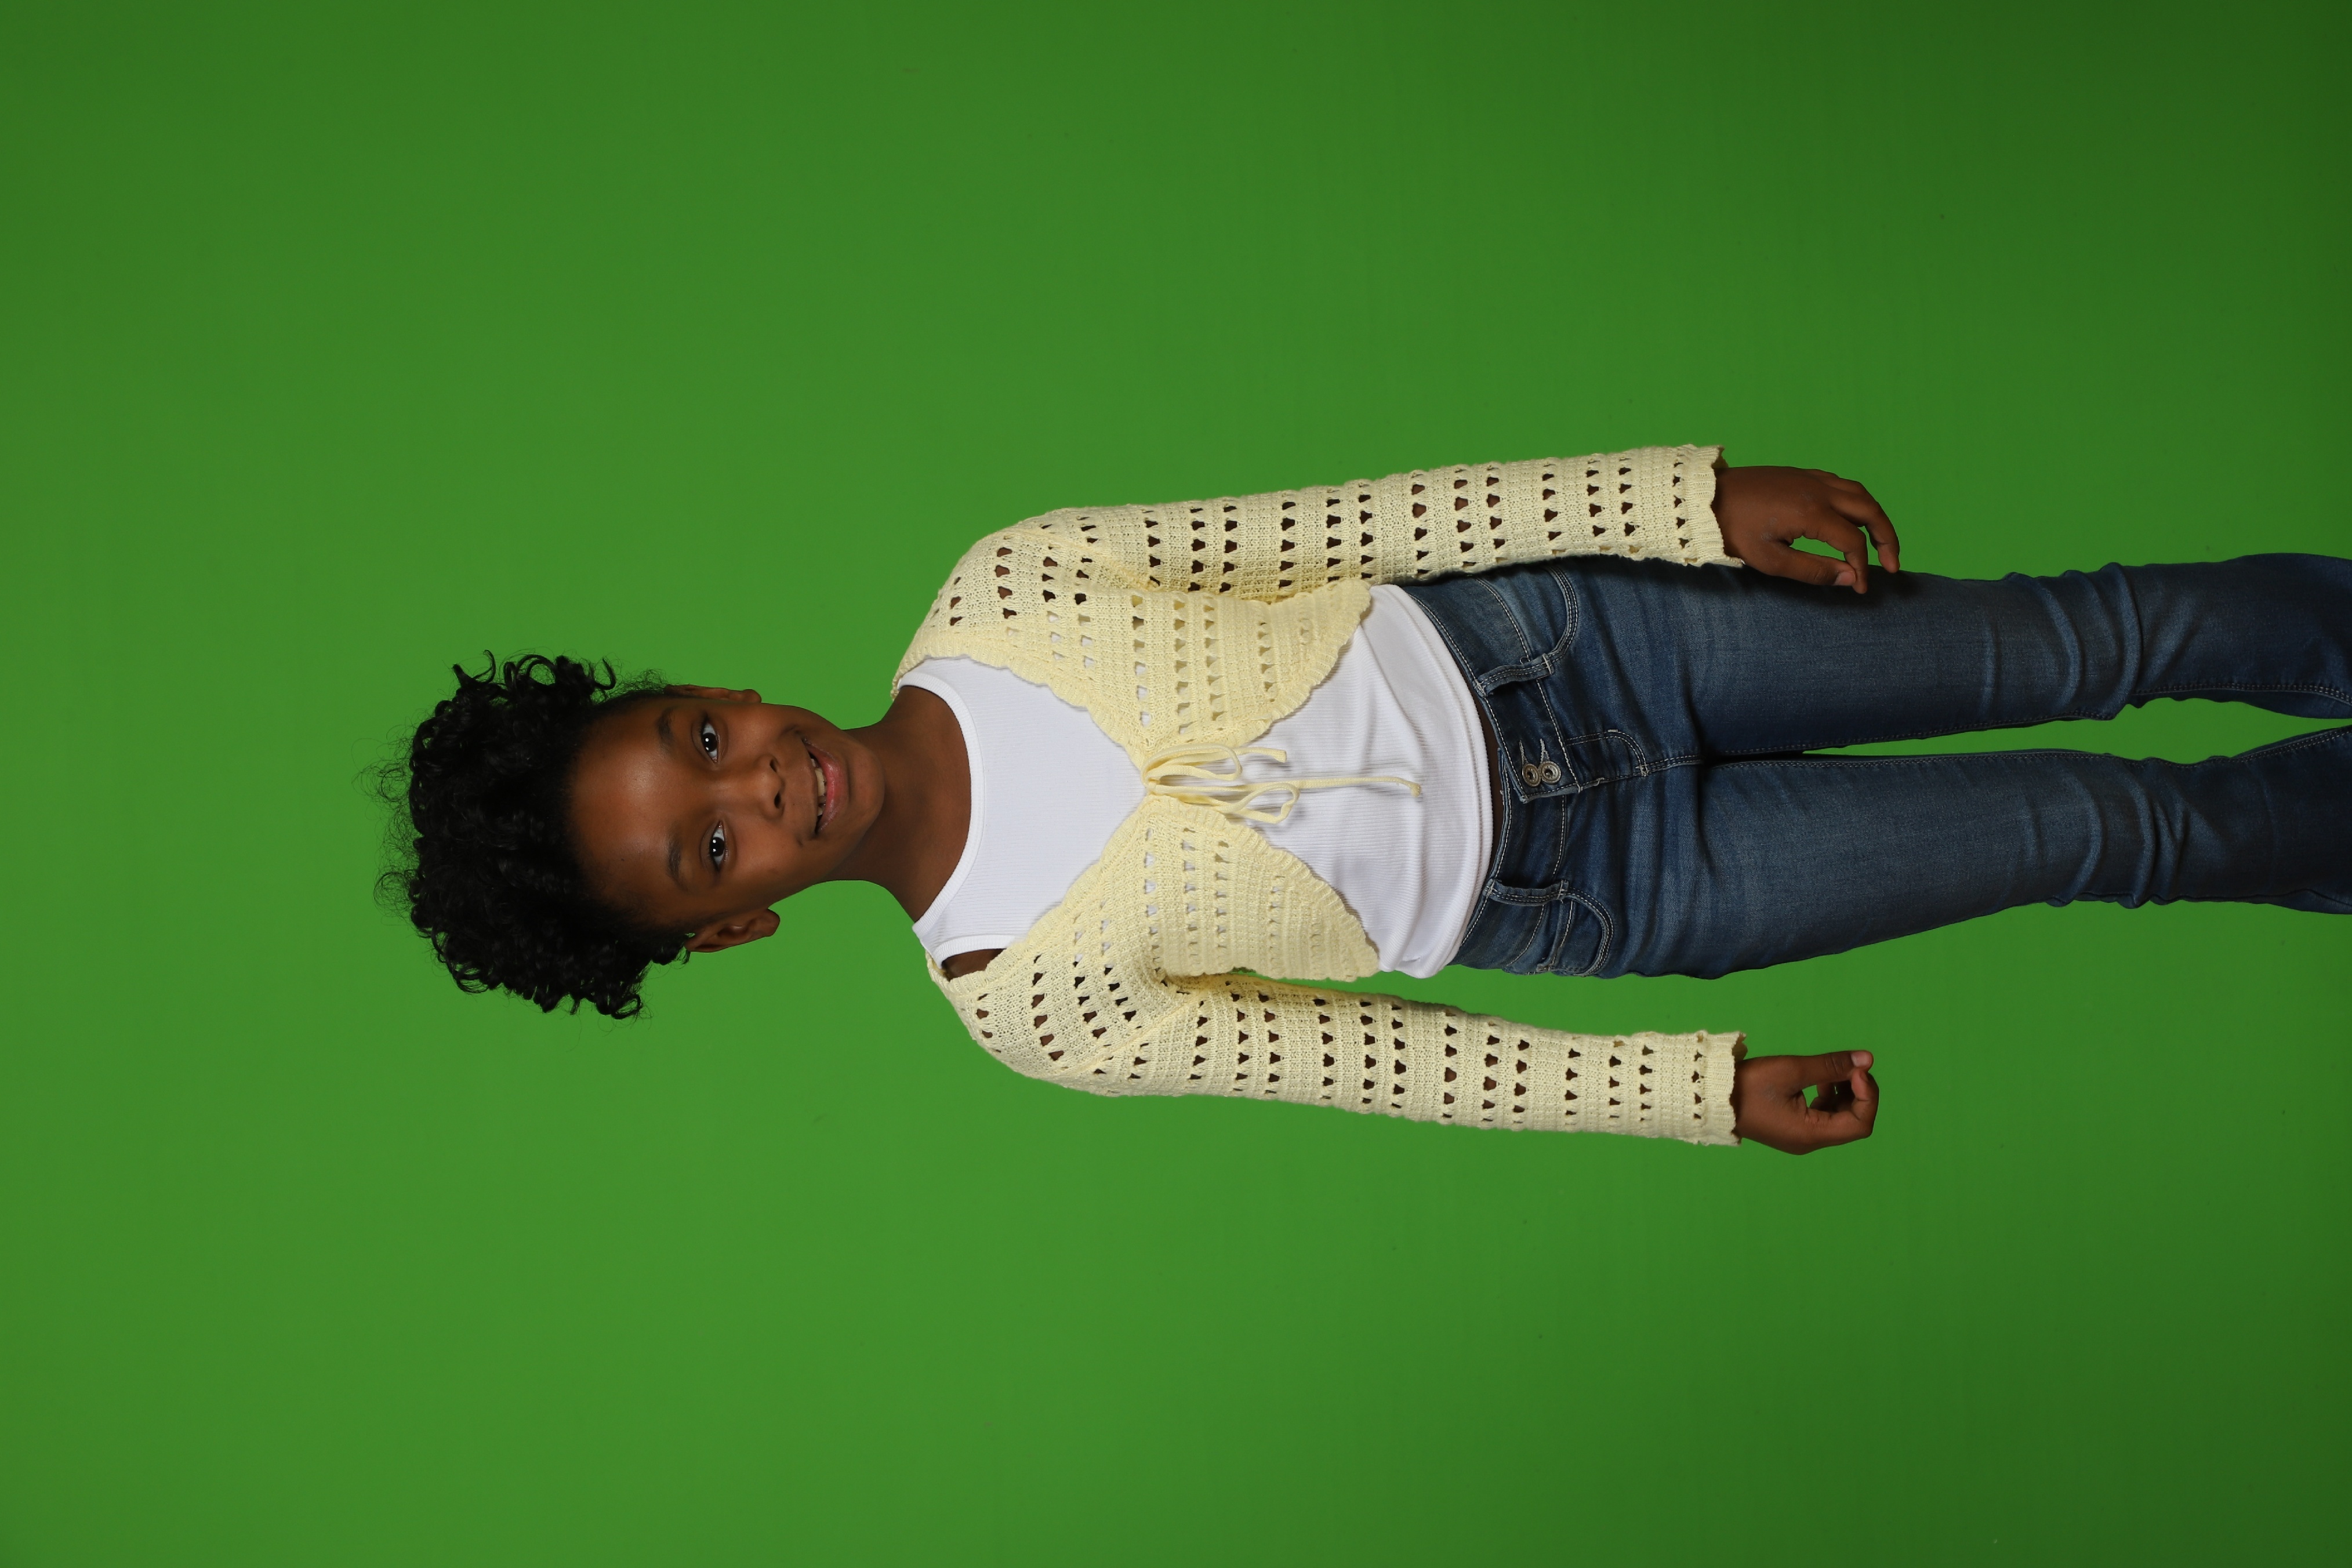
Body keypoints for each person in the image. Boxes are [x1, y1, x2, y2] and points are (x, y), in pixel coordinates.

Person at [383, 446, 2352, 1155]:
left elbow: (1357, 523)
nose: (758, 785)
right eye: (710, 849)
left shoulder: (1011, 586)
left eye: (701, 744)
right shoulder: (1025, 1005)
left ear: (717, 693)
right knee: (2110, 836)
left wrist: (1684, 502)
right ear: (731, 921)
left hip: (1595, 645)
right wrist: (1691, 1094)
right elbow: (1388, 1070)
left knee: (2083, 640)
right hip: (1629, 896)